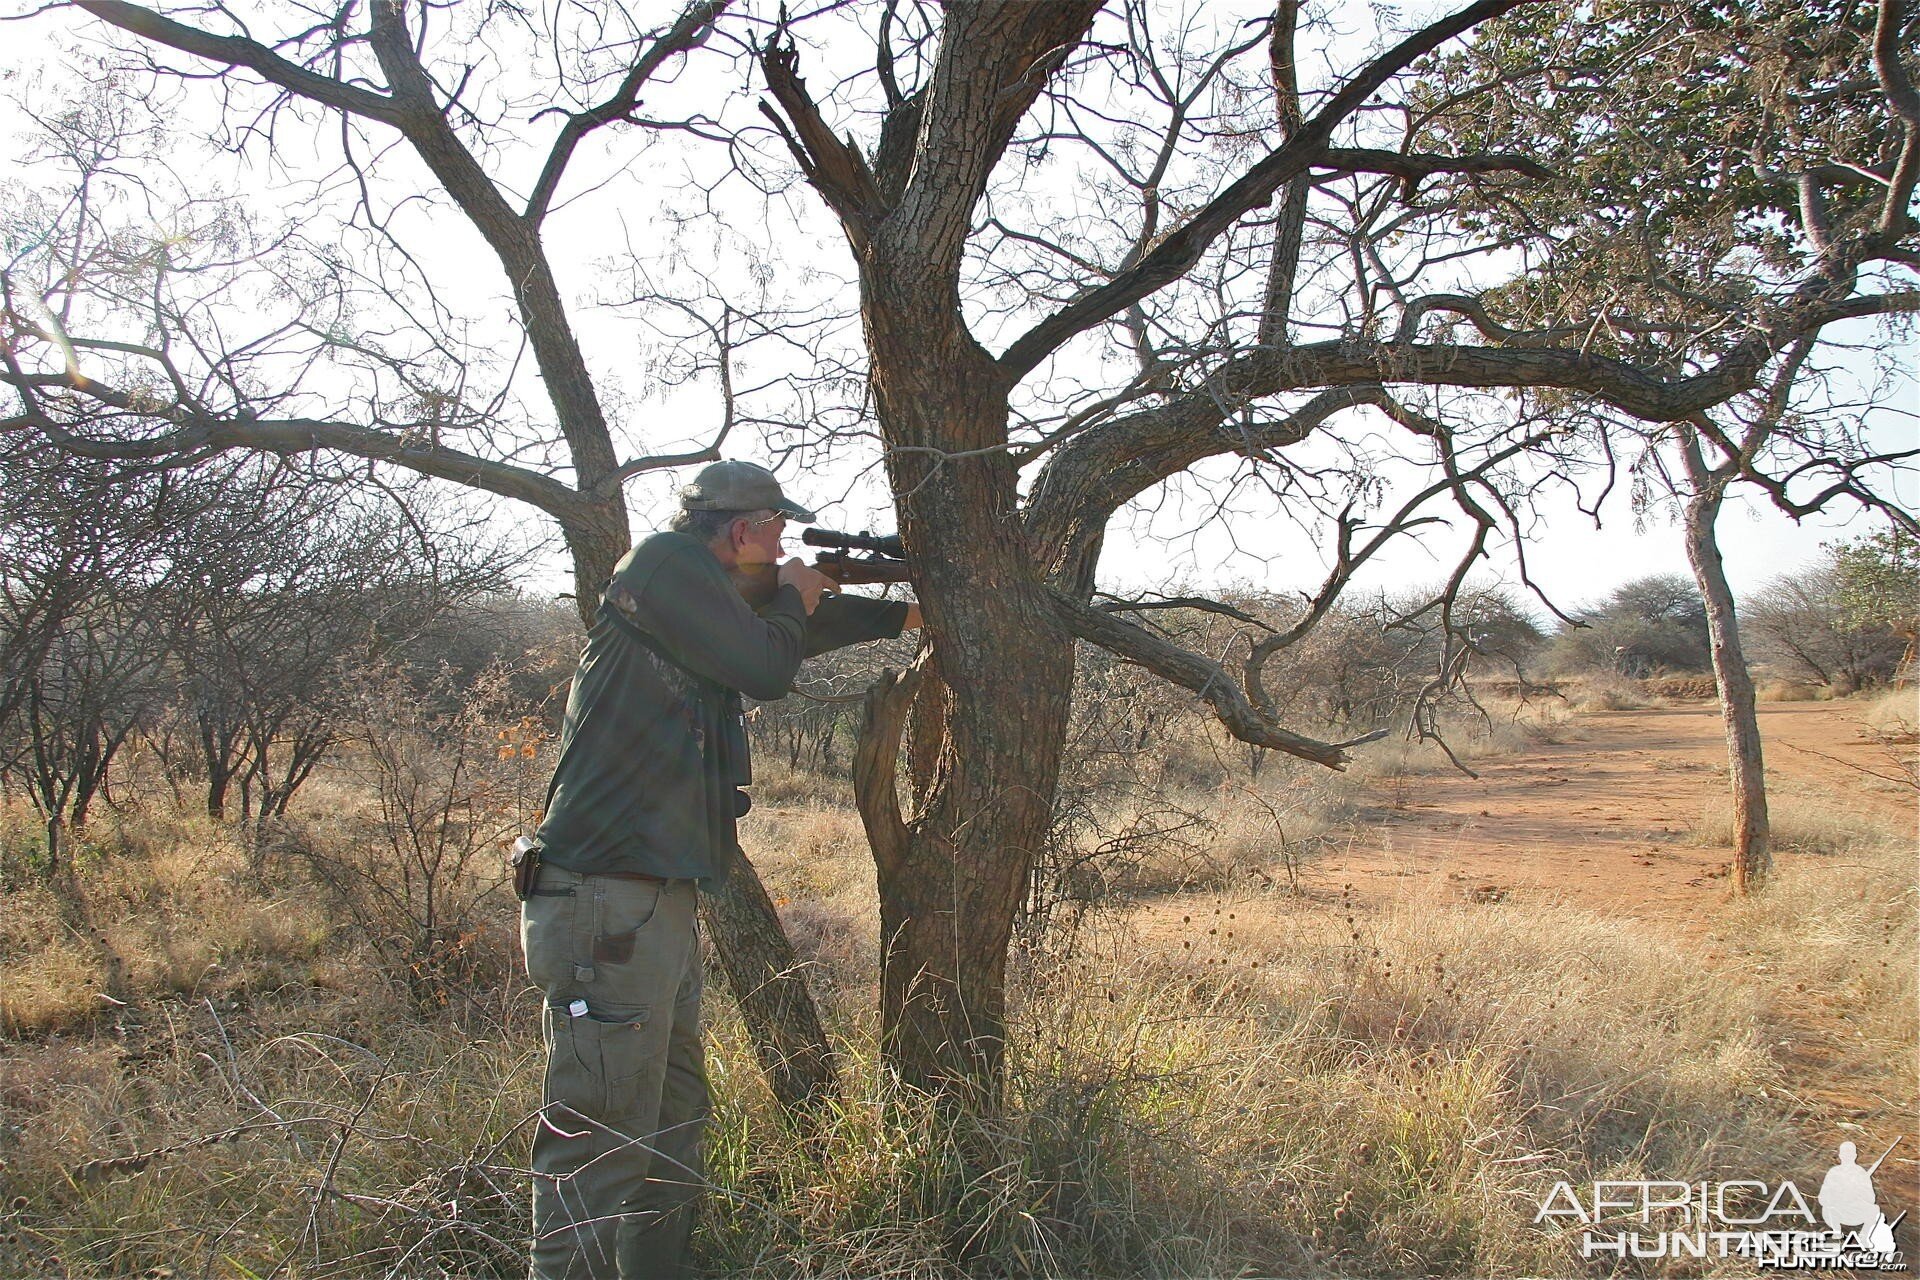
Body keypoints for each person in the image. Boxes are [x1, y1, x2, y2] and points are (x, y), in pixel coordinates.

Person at [519, 460, 919, 1280]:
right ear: (742, 531)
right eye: (776, 530)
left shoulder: (697, 597)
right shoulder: (663, 565)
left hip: (648, 904)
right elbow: (769, 665)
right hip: (605, 899)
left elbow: (780, 630)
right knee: (599, 1150)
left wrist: (907, 615)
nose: (784, 545)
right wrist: (800, 593)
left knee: (670, 1127)